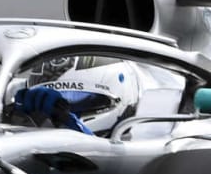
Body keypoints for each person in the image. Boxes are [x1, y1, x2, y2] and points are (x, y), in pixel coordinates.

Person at [9, 55, 141, 136]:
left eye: (76, 97)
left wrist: (71, 124)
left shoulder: (146, 148)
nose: (59, 111)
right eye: (56, 102)